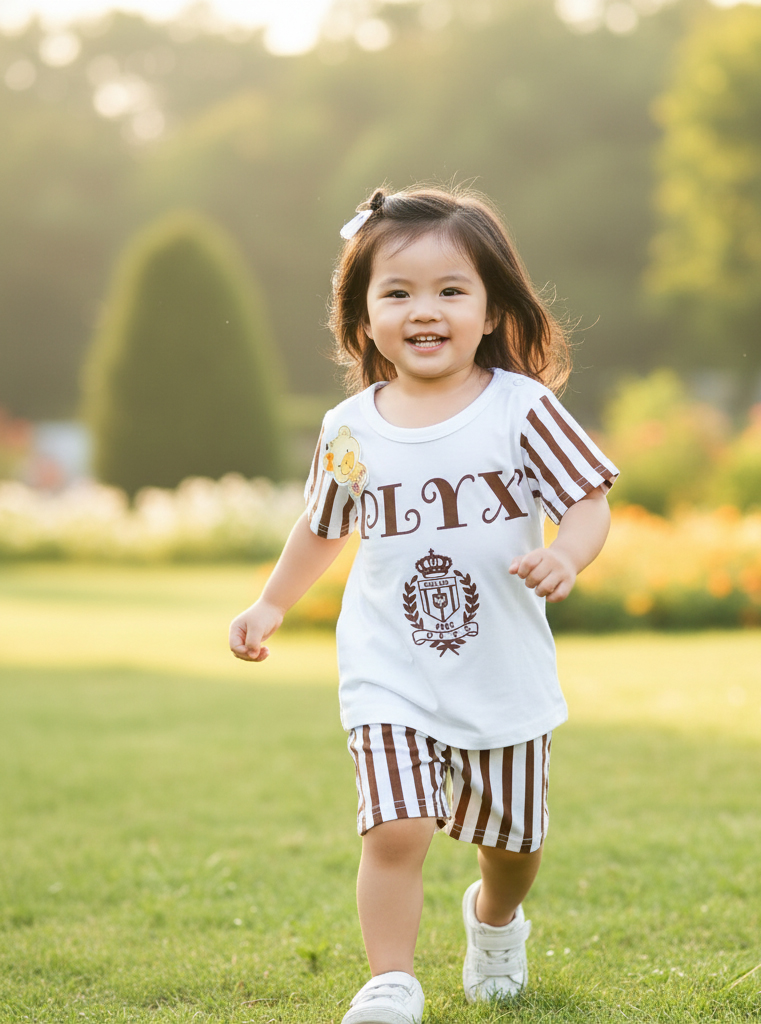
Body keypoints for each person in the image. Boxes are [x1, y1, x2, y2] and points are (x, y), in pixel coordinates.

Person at [229, 184, 618, 1024]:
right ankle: (392, 982)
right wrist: (270, 605)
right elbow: (322, 529)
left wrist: (566, 556)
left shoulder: (523, 409)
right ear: (362, 319)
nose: (425, 310)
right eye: (397, 292)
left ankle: (495, 921)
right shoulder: (350, 429)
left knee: (512, 844)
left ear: (489, 308)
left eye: (451, 290)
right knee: (394, 829)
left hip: (502, 674)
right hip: (391, 670)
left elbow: (588, 500)